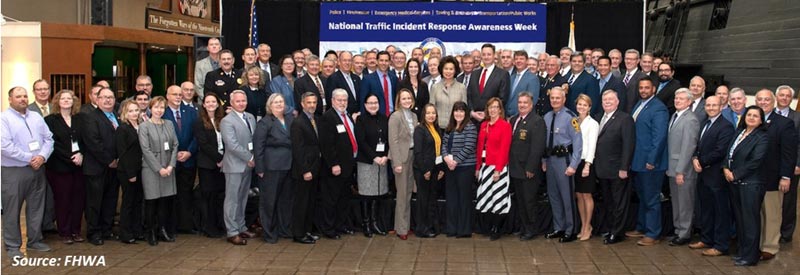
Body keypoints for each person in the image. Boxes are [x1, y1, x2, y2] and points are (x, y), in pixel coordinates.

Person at [2, 86, 54, 257]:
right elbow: (5, 146)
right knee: (12, 209)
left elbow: (48, 139)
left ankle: (34, 240)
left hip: (38, 169)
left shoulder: (36, 117)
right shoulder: (4, 119)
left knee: (37, 206)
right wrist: (29, 158)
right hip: (14, 171)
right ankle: (12, 246)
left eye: (24, 96)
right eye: (18, 96)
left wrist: (42, 157)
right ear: (10, 99)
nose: (22, 99)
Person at [754, 89, 798, 261]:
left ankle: (770, 247)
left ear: (773, 101)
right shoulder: (752, 119)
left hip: (772, 178)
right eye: (760, 99)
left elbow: (789, 153)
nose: (763, 102)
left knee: (771, 214)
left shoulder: (784, 123)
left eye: (766, 99)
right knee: (756, 213)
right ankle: (756, 244)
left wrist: (786, 177)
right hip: (752, 178)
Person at [723, 106, 769, 266]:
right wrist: (725, 168)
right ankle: (743, 252)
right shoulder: (739, 132)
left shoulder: (762, 137)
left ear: (761, 120)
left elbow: (756, 161)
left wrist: (736, 174)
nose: (751, 117)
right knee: (741, 220)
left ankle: (751, 256)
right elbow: (728, 153)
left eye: (755, 116)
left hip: (751, 184)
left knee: (750, 221)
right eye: (749, 114)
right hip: (735, 183)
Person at [625, 78, 669, 246]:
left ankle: (653, 233)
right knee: (643, 197)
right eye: (641, 88)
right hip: (638, 160)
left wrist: (652, 160)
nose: (643, 90)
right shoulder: (640, 104)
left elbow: (659, 137)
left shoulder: (658, 109)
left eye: (646, 88)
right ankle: (642, 227)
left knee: (651, 199)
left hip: (651, 163)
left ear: (654, 89)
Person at [690, 95, 735, 256]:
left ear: (721, 106)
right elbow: (698, 144)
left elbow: (720, 151)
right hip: (703, 175)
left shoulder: (726, 126)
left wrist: (700, 161)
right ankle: (706, 239)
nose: (710, 108)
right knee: (706, 209)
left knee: (720, 211)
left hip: (716, 176)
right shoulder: (705, 123)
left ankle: (721, 245)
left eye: (714, 105)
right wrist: (695, 157)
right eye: (708, 105)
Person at [44, 89, 86, 244]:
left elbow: (84, 140)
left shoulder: (80, 119)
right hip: (59, 167)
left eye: (70, 98)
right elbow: (51, 143)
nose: (67, 101)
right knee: (63, 200)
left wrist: (81, 155)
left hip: (79, 166)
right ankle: (65, 231)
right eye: (63, 98)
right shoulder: (50, 120)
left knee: (78, 199)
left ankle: (76, 230)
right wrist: (70, 158)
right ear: (57, 101)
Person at [542, 87, 583, 243]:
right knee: (554, 196)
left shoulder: (571, 117)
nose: (554, 100)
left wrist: (573, 165)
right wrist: (544, 161)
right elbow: (545, 142)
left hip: (564, 160)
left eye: (558, 98)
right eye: (552, 98)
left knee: (566, 196)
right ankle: (558, 227)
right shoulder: (546, 116)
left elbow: (578, 144)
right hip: (551, 160)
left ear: (564, 99)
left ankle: (571, 229)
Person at [594, 90, 635, 244]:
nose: (607, 102)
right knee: (608, 202)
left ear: (617, 102)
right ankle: (611, 228)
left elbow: (628, 145)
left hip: (618, 169)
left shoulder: (625, 119)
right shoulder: (597, 117)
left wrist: (624, 167)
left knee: (619, 203)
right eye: (605, 99)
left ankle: (617, 233)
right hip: (602, 169)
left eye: (611, 99)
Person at [253, 93, 294, 243]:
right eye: (275, 102)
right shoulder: (265, 122)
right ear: (269, 105)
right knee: (269, 201)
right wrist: (260, 168)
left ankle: (284, 229)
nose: (279, 104)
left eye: (281, 102)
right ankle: (269, 233)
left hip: (289, 166)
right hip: (271, 167)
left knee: (285, 200)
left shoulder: (290, 119)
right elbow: (258, 147)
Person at [318, 89, 359, 239]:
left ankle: (340, 225)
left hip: (348, 165)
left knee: (343, 198)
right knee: (331, 199)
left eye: (344, 100)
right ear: (332, 101)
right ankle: (329, 229)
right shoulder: (328, 118)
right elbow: (327, 145)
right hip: (335, 167)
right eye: (339, 100)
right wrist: (334, 164)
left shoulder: (346, 115)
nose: (342, 103)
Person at [81, 87, 120, 245]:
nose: (107, 100)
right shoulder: (90, 117)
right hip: (97, 167)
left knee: (110, 200)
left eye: (110, 97)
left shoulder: (117, 116)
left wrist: (118, 160)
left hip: (115, 167)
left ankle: (106, 229)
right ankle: (93, 232)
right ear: (96, 100)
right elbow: (93, 142)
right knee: (94, 202)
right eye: (103, 97)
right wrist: (109, 160)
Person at [138, 96, 179, 246]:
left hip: (168, 167)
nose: (159, 110)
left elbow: (175, 145)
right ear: (150, 108)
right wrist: (159, 168)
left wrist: (170, 166)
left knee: (165, 202)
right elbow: (145, 150)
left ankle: (163, 230)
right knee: (152, 201)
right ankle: (151, 231)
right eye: (156, 107)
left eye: (162, 107)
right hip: (151, 169)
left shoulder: (168, 124)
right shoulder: (144, 126)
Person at [507, 93, 546, 241]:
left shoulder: (537, 121)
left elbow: (537, 147)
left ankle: (531, 229)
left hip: (528, 170)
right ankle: (523, 227)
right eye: (520, 102)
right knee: (520, 200)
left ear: (532, 104)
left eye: (525, 102)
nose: (522, 105)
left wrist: (531, 168)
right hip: (515, 168)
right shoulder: (514, 120)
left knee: (529, 201)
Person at [220, 90, 257, 245]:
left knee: (242, 198)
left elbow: (254, 139)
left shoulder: (250, 117)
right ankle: (232, 231)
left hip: (248, 166)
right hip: (235, 165)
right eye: (238, 101)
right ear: (232, 103)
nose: (241, 103)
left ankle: (241, 226)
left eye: (243, 100)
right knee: (232, 199)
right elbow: (232, 145)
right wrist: (249, 157)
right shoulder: (227, 121)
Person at [665, 88, 700, 246]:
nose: (677, 100)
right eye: (676, 98)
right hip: (672, 167)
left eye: (681, 99)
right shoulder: (675, 115)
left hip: (683, 170)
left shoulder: (690, 119)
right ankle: (678, 229)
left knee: (685, 202)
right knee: (677, 202)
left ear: (689, 101)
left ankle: (685, 233)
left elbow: (688, 147)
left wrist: (681, 170)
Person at [474, 97, 513, 241]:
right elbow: (479, 148)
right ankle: (488, 226)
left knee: (498, 197)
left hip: (498, 167)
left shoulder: (505, 126)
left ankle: (497, 228)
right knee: (486, 197)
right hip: (485, 166)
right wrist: (478, 167)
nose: (493, 109)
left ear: (500, 109)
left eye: (496, 107)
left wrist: (498, 169)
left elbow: (504, 148)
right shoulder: (484, 125)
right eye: (490, 107)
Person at [354, 94, 390, 237]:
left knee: (378, 194)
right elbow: (361, 142)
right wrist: (374, 157)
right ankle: (366, 224)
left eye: (375, 102)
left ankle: (375, 223)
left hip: (382, 161)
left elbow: (388, 139)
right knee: (366, 195)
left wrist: (386, 155)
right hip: (367, 162)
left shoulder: (384, 118)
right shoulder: (361, 120)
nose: (373, 105)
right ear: (365, 105)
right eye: (370, 103)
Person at [441, 101, 477, 238]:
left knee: (464, 198)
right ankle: (451, 228)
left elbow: (468, 147)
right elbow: (443, 145)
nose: (458, 113)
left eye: (461, 111)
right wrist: (446, 158)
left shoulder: (470, 127)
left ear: (466, 113)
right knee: (451, 198)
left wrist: (455, 161)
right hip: (450, 167)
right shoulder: (449, 127)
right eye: (456, 111)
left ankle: (464, 230)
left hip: (465, 167)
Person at [290, 92, 322, 244]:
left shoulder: (316, 119)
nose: (312, 105)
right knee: (302, 203)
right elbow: (298, 149)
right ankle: (298, 233)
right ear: (302, 104)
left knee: (310, 202)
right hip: (305, 170)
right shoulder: (298, 123)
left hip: (315, 167)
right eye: (309, 102)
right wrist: (305, 170)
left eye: (314, 102)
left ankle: (307, 230)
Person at [194, 93, 226, 238]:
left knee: (219, 196)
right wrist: (218, 158)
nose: (211, 104)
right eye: (208, 102)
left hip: (223, 164)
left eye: (214, 101)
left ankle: (219, 225)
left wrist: (224, 158)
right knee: (208, 196)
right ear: (204, 104)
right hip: (207, 164)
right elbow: (203, 144)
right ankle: (208, 227)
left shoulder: (223, 120)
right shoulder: (199, 122)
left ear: (218, 104)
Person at [388, 89, 417, 240]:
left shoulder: (414, 116)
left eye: (409, 98)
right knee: (402, 194)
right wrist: (397, 162)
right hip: (401, 158)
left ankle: (405, 225)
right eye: (403, 98)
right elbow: (393, 141)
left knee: (409, 193)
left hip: (412, 156)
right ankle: (401, 229)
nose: (406, 101)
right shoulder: (395, 116)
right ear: (399, 101)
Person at [114, 100, 144, 244]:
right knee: (128, 202)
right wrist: (131, 174)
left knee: (138, 201)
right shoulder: (123, 129)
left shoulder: (141, 126)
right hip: (127, 171)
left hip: (140, 169)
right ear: (125, 113)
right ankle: (125, 232)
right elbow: (123, 153)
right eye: (130, 111)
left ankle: (137, 230)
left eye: (136, 110)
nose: (134, 113)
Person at [413, 104, 445, 238]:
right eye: (428, 113)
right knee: (423, 200)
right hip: (423, 170)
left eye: (433, 113)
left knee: (432, 199)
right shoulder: (420, 129)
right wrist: (425, 170)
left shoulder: (436, 129)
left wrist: (441, 168)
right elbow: (418, 152)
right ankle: (421, 229)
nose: (431, 115)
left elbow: (439, 150)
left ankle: (432, 226)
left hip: (435, 169)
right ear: (423, 115)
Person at [774, 85, 800, 244]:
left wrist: (798, 163)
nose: (784, 98)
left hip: (791, 166)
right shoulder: (767, 114)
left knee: (789, 202)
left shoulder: (798, 117)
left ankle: (786, 233)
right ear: (776, 97)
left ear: (792, 98)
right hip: (770, 166)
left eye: (787, 96)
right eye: (781, 95)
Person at [573, 94, 599, 241]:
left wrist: (587, 165)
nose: (581, 107)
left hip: (586, 162)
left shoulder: (593, 124)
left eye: (584, 105)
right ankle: (583, 225)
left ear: (589, 107)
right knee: (578, 195)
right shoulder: (574, 121)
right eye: (579, 104)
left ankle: (588, 226)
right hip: (575, 162)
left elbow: (592, 145)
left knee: (587, 195)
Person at [468, 44, 510, 122]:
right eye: (484, 54)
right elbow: (469, 95)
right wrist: (472, 112)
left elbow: (502, 99)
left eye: (489, 54)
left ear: (494, 55)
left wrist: (487, 113)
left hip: (492, 120)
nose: (486, 57)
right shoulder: (474, 74)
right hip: (474, 120)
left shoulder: (503, 74)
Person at [429, 56, 467, 129]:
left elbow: (464, 110)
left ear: (455, 71)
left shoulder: (461, 87)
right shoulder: (435, 87)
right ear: (441, 70)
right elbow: (431, 109)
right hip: (438, 127)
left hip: (456, 128)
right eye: (446, 69)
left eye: (451, 69)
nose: (448, 71)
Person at [361, 51, 399, 116]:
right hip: (375, 117)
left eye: (386, 61)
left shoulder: (394, 78)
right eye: (381, 60)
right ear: (377, 61)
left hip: (393, 116)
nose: (384, 63)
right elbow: (363, 101)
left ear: (390, 62)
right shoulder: (367, 79)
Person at [326, 51, 361, 116]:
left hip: (357, 117)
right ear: (339, 62)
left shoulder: (357, 78)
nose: (347, 63)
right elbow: (331, 102)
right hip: (341, 117)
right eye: (344, 60)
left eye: (349, 60)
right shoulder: (333, 78)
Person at [506, 51, 540, 117]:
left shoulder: (532, 78)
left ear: (527, 61)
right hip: (508, 117)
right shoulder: (511, 77)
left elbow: (532, 101)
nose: (518, 61)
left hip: (522, 117)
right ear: (514, 61)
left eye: (521, 59)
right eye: (516, 59)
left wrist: (517, 117)